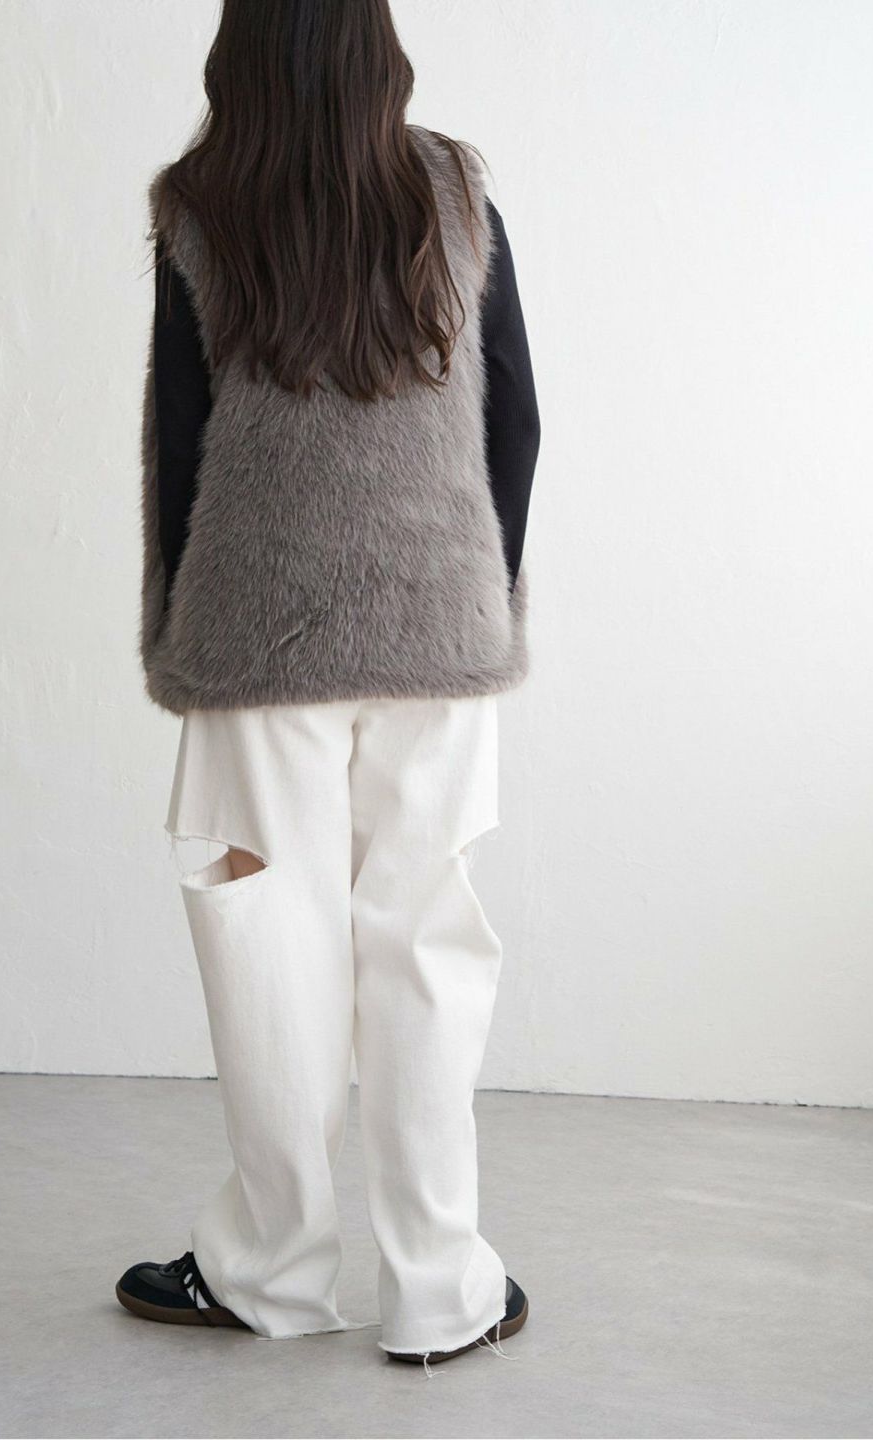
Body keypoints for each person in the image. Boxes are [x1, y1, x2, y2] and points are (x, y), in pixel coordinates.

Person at [117, 0, 541, 1369]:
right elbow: (516, 417)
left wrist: (177, 626)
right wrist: (477, 589)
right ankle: (442, 1291)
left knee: (267, 945)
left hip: (257, 640)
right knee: (427, 950)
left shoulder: (201, 205)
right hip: (440, 630)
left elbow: (178, 442)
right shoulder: (455, 192)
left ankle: (273, 1272)